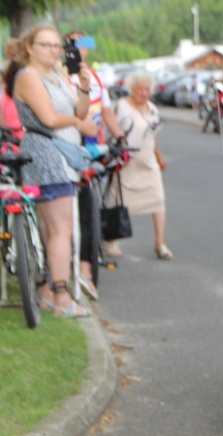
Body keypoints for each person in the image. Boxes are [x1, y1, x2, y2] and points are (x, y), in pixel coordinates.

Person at [5, 23, 97, 317]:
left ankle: (46, 292)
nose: (53, 50)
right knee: (60, 230)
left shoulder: (56, 76)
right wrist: (79, 125)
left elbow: (78, 111)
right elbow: (48, 118)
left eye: (57, 46)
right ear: (30, 47)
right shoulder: (28, 77)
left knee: (52, 229)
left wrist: (83, 87)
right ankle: (62, 298)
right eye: (46, 45)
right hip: (47, 154)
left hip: (59, 154)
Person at [64, 31, 125, 300]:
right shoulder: (64, 75)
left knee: (89, 206)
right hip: (69, 143)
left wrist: (120, 138)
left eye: (84, 43)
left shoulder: (96, 78)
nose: (81, 48)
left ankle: (85, 267)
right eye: (75, 43)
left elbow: (107, 112)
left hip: (92, 147)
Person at [109, 71, 172, 260]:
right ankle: (110, 240)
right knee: (118, 201)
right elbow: (111, 131)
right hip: (125, 162)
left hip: (147, 162)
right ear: (132, 89)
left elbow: (152, 137)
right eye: (140, 89)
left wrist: (159, 158)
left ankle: (159, 243)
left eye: (147, 89)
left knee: (158, 200)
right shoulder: (121, 106)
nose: (144, 93)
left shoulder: (152, 109)